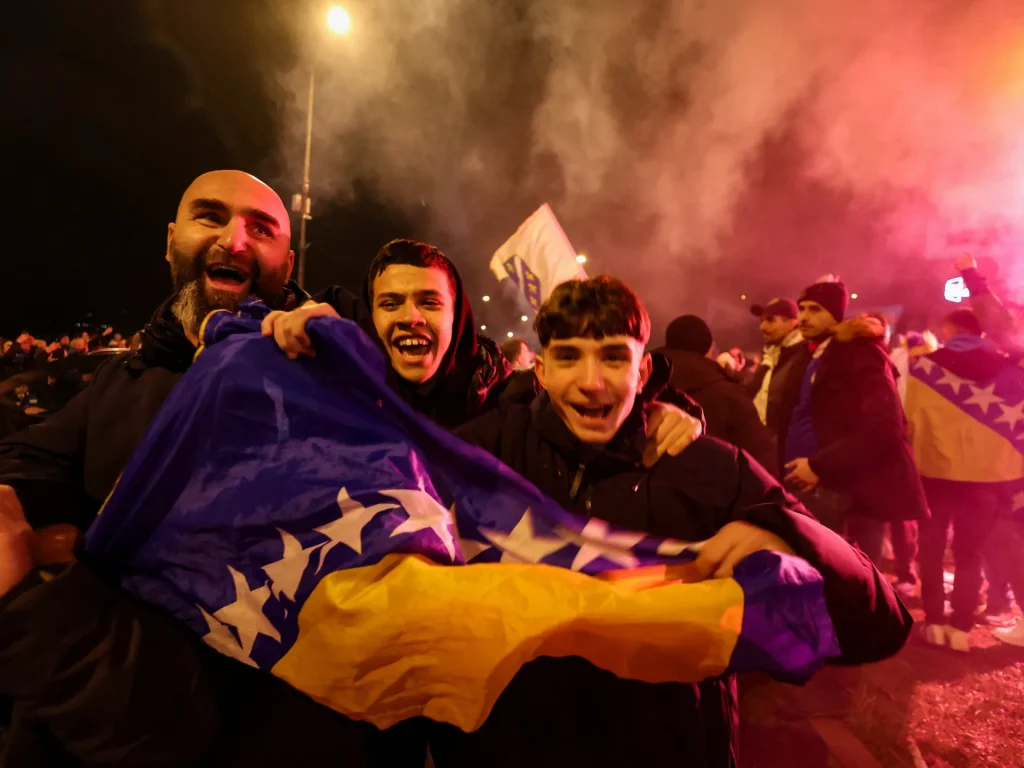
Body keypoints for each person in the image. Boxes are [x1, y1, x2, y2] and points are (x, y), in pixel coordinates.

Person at [424, 276, 912, 767]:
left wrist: (784, 540)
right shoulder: (475, 459)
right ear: (542, 370)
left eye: (614, 356)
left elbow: (877, 621)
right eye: (569, 356)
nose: (592, 382)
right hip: (513, 745)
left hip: (664, 745)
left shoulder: (711, 470)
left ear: (644, 372)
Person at [0, 170, 374, 766]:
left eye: (262, 228)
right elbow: (31, 463)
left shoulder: (319, 379)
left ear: (289, 259)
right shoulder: (129, 374)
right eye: (211, 216)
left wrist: (340, 366)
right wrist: (40, 527)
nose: (236, 240)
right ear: (171, 238)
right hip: (81, 727)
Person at [264, 239, 702, 458]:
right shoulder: (343, 385)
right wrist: (292, 338)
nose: (411, 317)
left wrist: (657, 412)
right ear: (372, 319)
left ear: (458, 320)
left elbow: (589, 405)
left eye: (430, 302)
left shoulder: (508, 396)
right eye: (391, 303)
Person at [781, 277, 928, 566]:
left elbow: (885, 426)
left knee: (849, 583)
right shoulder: (812, 354)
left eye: (815, 309)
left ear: (836, 315)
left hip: (847, 493)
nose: (805, 316)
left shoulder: (861, 352)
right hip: (813, 488)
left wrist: (818, 465)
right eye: (802, 308)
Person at [905, 308, 1024, 651]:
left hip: (935, 475)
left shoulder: (925, 366)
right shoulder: (1007, 368)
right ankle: (960, 628)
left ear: (948, 329)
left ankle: (935, 622)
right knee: (969, 553)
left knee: (930, 550)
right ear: (981, 331)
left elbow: (912, 419)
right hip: (987, 479)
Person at [655, 314, 778, 474]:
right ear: (708, 348)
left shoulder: (638, 380)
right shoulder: (729, 395)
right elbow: (764, 463)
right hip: (708, 493)